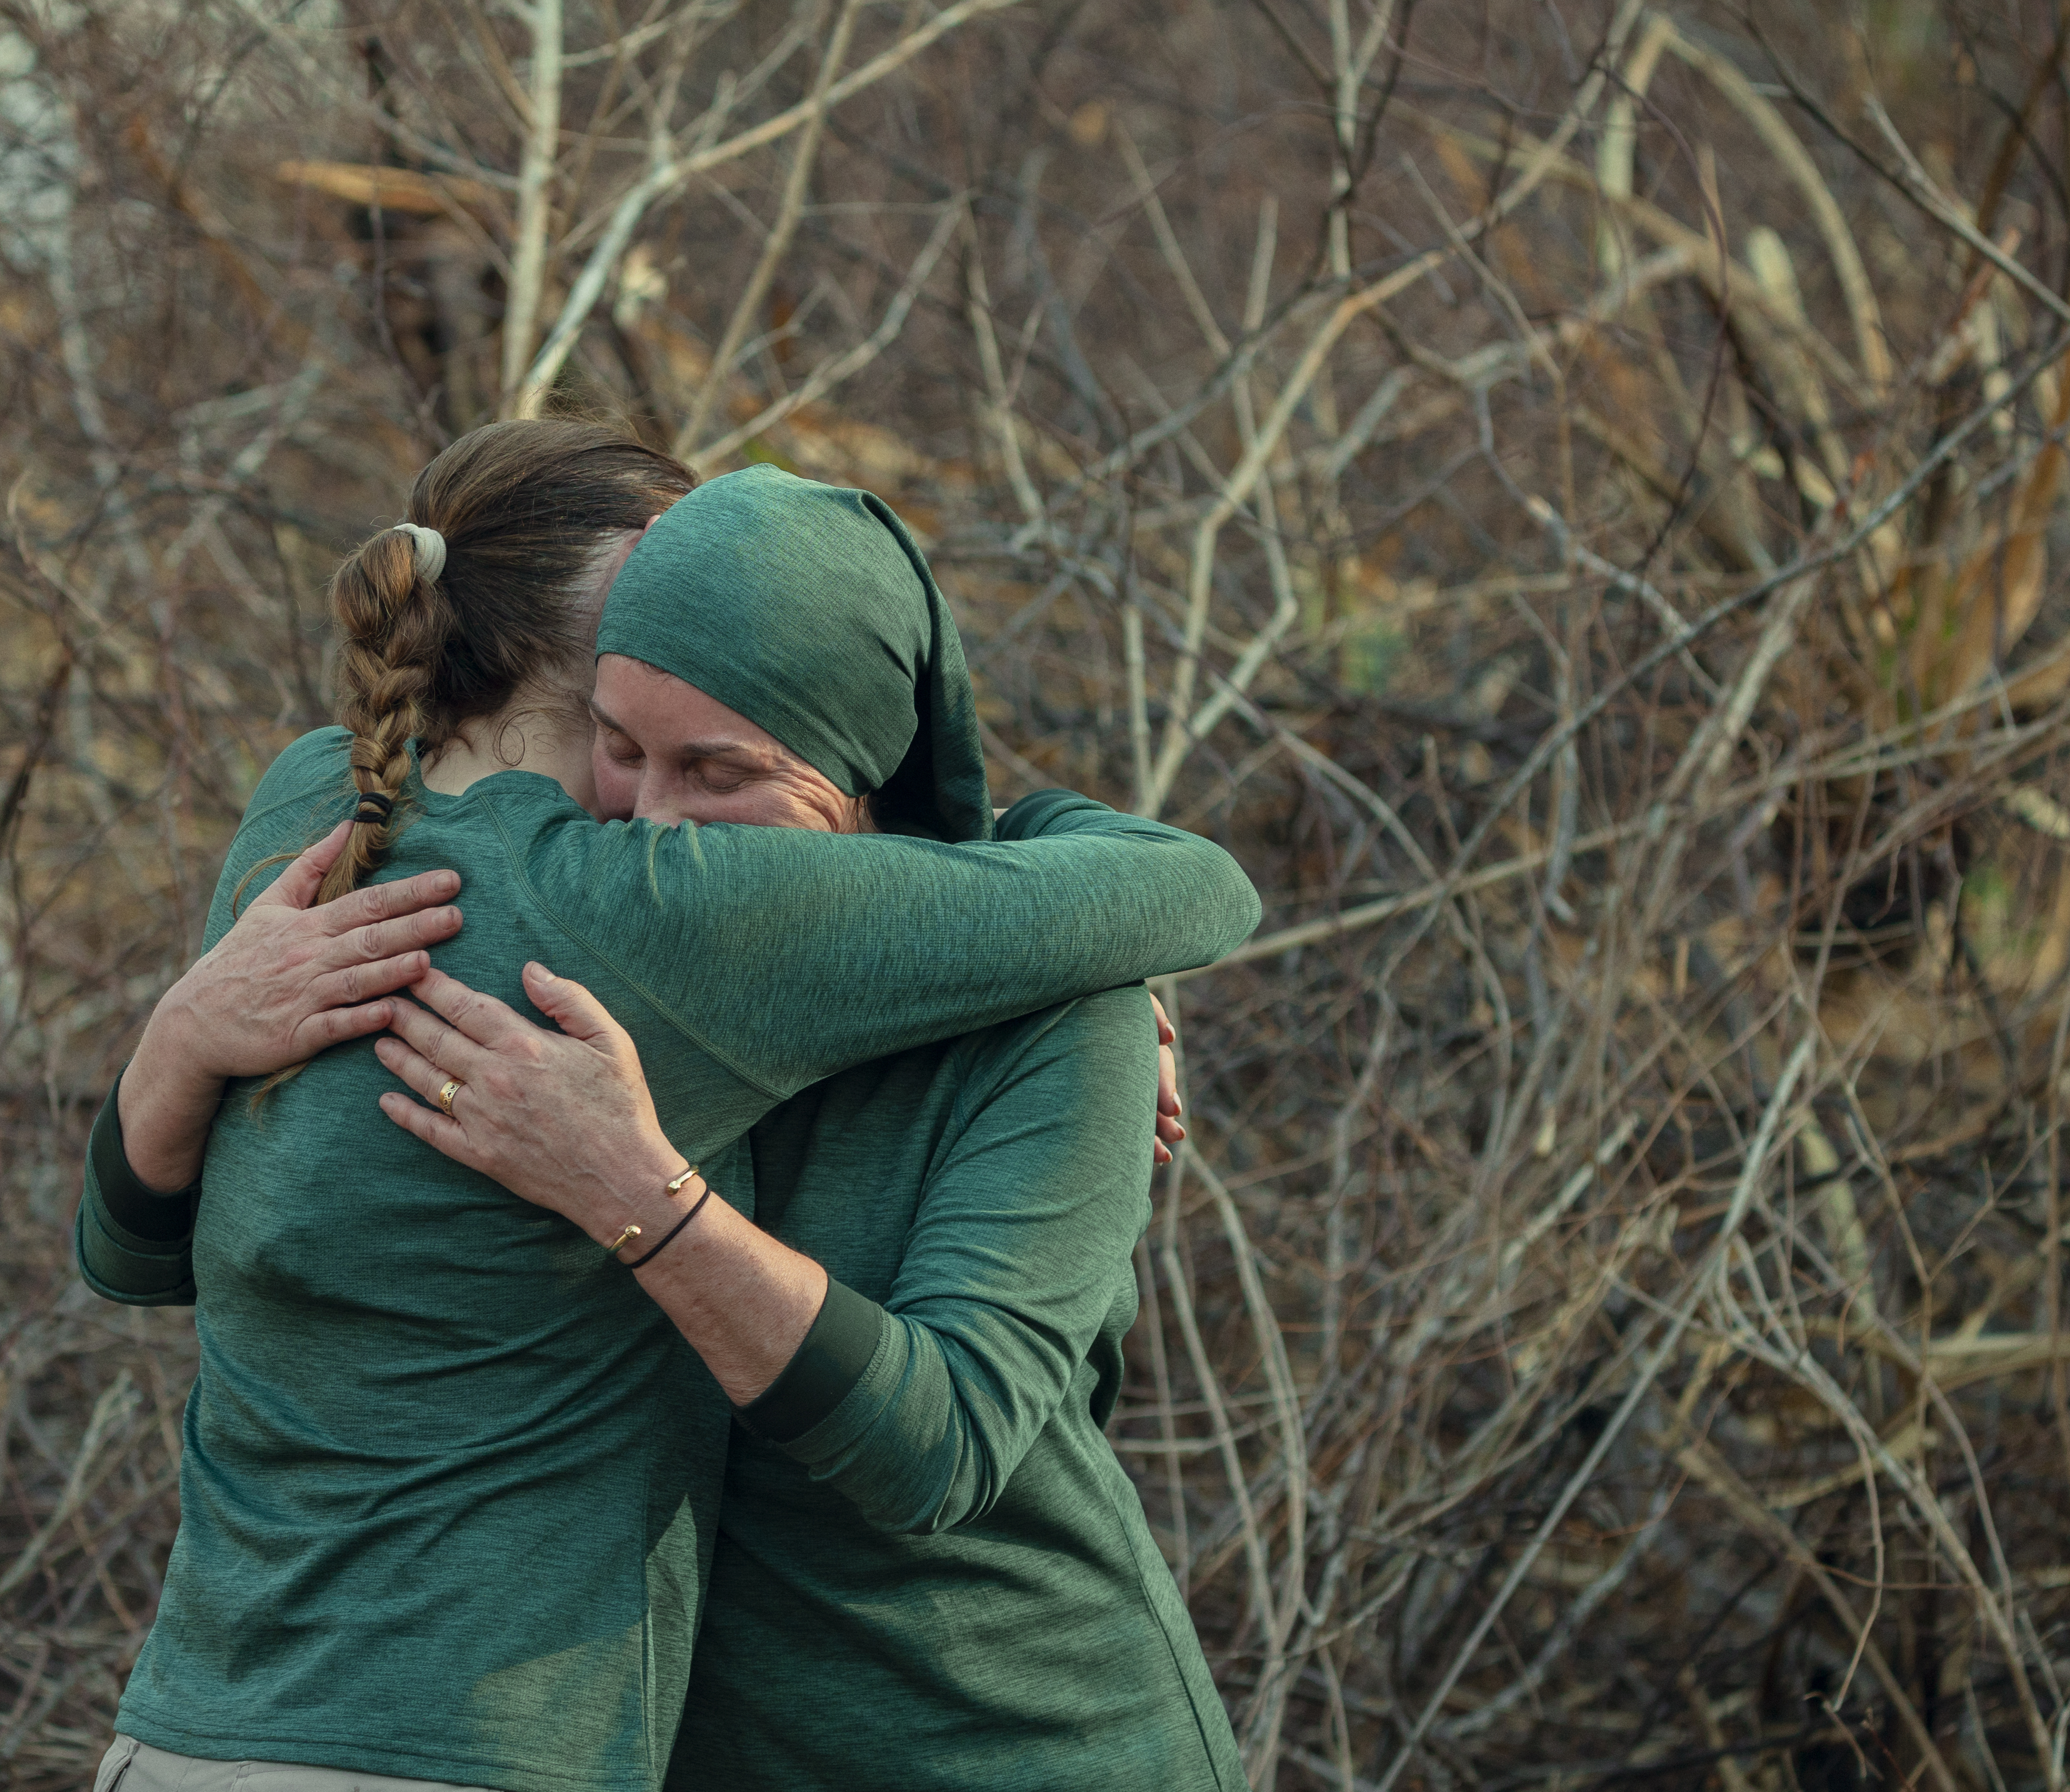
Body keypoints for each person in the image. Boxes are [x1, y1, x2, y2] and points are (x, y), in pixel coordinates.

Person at [76, 422, 1258, 1792]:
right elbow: (1192, 885)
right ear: (589, 660)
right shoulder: (626, 914)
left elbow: (136, 1255)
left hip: (1002, 1744)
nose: (653, 820)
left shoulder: (329, 807)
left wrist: (643, 1201)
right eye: (625, 742)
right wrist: (179, 1040)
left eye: (719, 768)